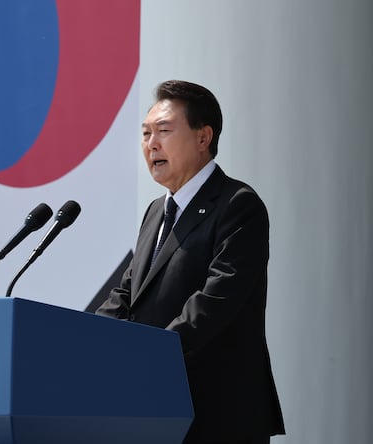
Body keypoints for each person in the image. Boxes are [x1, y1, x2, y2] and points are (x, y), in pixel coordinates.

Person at [96, 80, 285, 444]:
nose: (151, 144)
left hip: (218, 412)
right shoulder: (156, 211)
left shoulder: (237, 205)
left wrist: (149, 356)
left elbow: (214, 302)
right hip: (155, 406)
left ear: (203, 137)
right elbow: (128, 294)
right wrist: (85, 342)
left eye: (164, 131)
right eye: (146, 133)